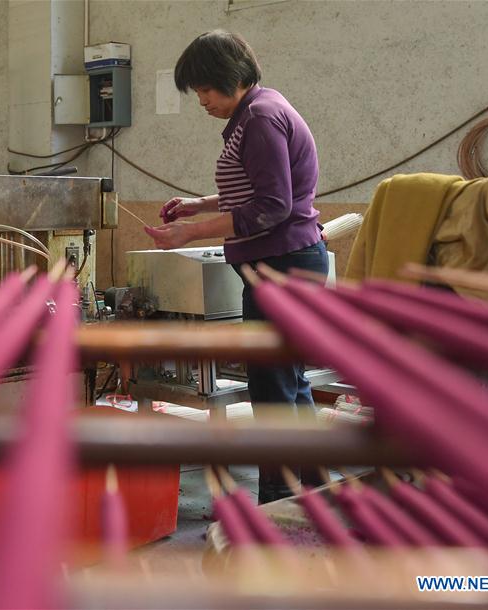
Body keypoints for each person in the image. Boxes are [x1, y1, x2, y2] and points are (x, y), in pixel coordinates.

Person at [144, 30, 328, 504]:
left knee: (272, 390)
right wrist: (196, 205)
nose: (201, 101)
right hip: (284, 263)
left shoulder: (261, 118)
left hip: (281, 266)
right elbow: (253, 190)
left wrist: (192, 232)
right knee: (290, 384)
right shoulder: (259, 110)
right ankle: (312, 490)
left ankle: (274, 503)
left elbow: (271, 206)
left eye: (204, 89)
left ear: (228, 77)